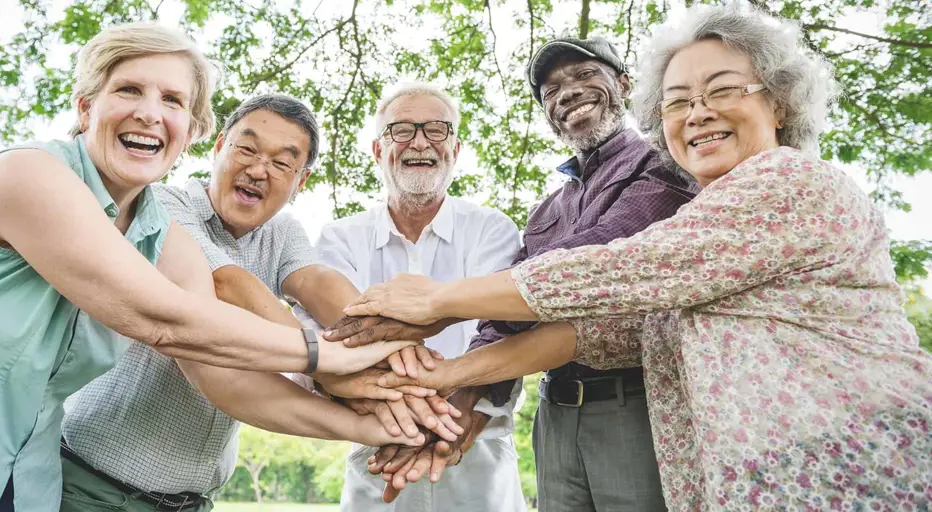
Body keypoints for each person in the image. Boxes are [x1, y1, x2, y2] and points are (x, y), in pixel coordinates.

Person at [345, 5, 932, 510]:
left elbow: (618, 270)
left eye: (723, 90)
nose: (698, 112)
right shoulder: (560, 206)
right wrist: (453, 381)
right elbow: (608, 331)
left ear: (778, 104)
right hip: (725, 465)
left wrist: (440, 301)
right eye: (679, 101)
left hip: (845, 464)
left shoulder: (783, 181)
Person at [0, 23, 413, 512]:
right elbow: (167, 319)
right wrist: (324, 356)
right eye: (129, 90)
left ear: (191, 130)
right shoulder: (29, 173)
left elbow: (218, 367)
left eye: (172, 101)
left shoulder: (155, 232)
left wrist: (384, 422)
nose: (150, 114)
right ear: (86, 107)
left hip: (27, 480)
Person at [338, 37, 699, 510]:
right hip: (554, 412)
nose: (568, 92)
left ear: (624, 85)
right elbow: (506, 317)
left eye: (585, 75)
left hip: (633, 401)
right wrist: (463, 406)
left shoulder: (663, 164)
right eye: (551, 89)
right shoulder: (548, 210)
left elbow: (594, 259)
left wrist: (439, 306)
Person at [59, 93, 431, 512]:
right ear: (218, 147)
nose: (258, 170)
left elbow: (316, 283)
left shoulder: (283, 232)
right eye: (247, 149)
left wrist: (399, 367)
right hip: (92, 488)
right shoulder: (159, 205)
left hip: (191, 502)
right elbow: (225, 285)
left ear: (300, 181)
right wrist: (332, 372)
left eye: (282, 163)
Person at [300, 83, 526, 511]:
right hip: (379, 451)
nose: (420, 141)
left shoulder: (492, 229)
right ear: (377, 150)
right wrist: (410, 417)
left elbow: (501, 327)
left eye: (437, 130)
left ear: (455, 150)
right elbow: (333, 337)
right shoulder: (339, 238)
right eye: (401, 130)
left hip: (480, 453)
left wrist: (463, 412)